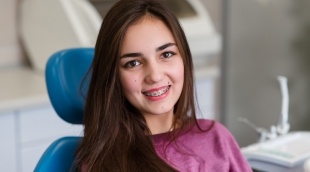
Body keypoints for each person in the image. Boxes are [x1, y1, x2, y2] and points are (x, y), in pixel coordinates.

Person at [75, 0, 252, 171]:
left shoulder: (216, 137)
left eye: (166, 54)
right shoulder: (104, 163)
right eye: (133, 63)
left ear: (184, 58)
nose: (155, 75)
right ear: (113, 76)